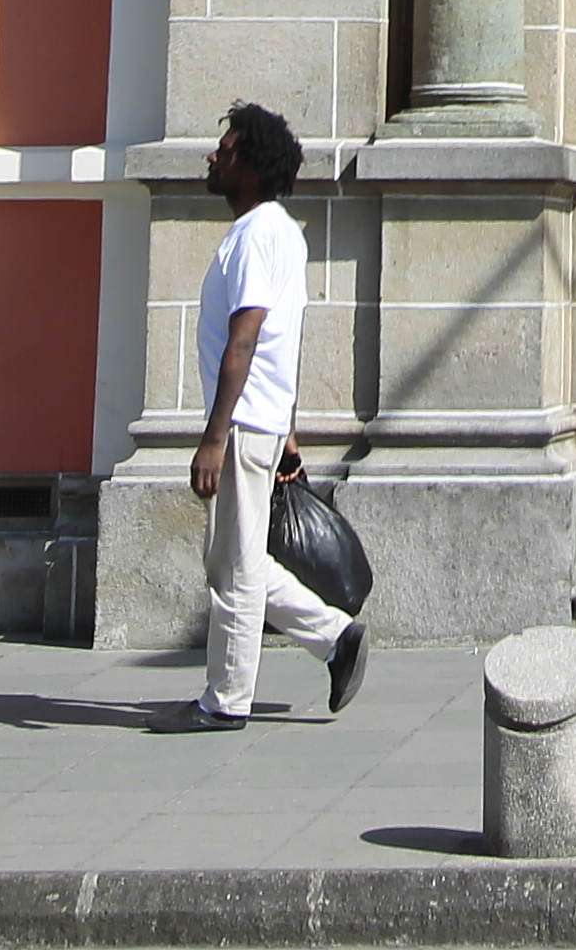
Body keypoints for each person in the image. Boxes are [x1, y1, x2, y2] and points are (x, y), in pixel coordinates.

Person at [187, 101, 364, 728]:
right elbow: (289, 337)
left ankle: (225, 700)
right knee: (235, 559)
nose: (214, 157)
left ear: (253, 167)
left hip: (241, 425)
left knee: (234, 570)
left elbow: (248, 337)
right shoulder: (283, 231)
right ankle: (336, 638)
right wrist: (287, 426)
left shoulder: (258, 234)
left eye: (228, 150)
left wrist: (214, 436)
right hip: (262, 421)